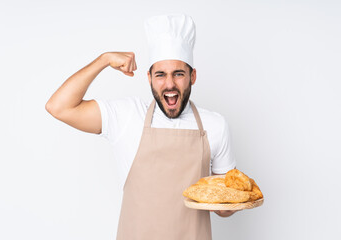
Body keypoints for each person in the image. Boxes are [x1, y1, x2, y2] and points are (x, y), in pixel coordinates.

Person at [46, 14, 239, 240]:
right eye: (160, 75)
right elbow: (58, 107)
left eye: (179, 74)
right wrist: (103, 59)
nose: (169, 84)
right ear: (148, 77)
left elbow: (224, 208)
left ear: (192, 76)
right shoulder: (127, 116)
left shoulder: (215, 125)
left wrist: (234, 201)